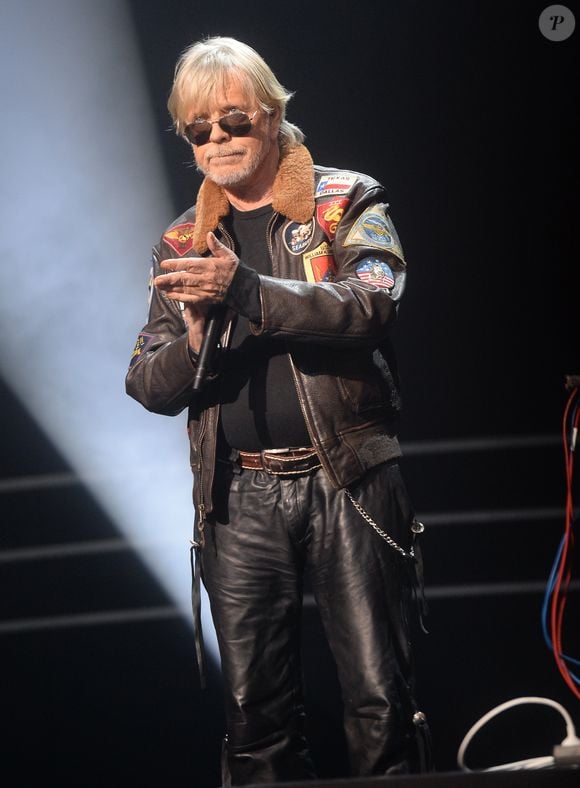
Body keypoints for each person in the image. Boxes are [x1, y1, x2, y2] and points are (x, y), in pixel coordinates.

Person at [126, 36, 431, 786]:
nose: (218, 140)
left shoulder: (344, 200)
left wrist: (249, 293)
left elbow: (372, 302)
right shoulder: (182, 243)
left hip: (348, 481)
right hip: (239, 499)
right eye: (199, 130)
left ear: (271, 114)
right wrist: (195, 336)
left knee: (378, 699)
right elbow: (148, 384)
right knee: (253, 715)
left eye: (232, 121)